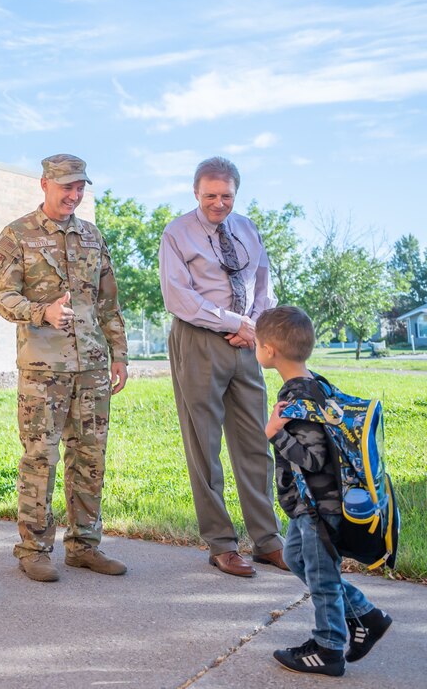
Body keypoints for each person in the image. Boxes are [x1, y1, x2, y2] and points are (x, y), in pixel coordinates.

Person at [0, 154, 129, 582]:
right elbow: (0, 295)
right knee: (40, 458)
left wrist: (118, 354)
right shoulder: (17, 235)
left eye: (80, 186)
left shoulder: (92, 236)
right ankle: (34, 549)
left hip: (91, 366)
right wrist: (40, 311)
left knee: (90, 458)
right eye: (66, 186)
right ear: (44, 183)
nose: (74, 194)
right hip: (43, 369)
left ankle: (84, 546)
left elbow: (108, 303)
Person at [159, 156, 287, 578]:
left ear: (236, 193)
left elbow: (262, 284)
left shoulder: (248, 228)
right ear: (196, 192)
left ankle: (268, 540)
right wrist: (235, 322)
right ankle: (221, 543)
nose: (219, 203)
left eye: (226, 195)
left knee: (255, 441)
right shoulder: (177, 233)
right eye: (210, 195)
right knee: (205, 446)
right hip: (198, 341)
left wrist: (255, 326)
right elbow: (179, 297)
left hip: (248, 343)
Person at [256, 306, 392, 676]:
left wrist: (275, 434)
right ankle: (367, 615)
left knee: (321, 578)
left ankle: (328, 648)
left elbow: (314, 460)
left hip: (318, 508)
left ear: (269, 350)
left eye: (256, 343)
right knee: (298, 560)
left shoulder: (299, 402)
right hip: (308, 507)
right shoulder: (315, 383)